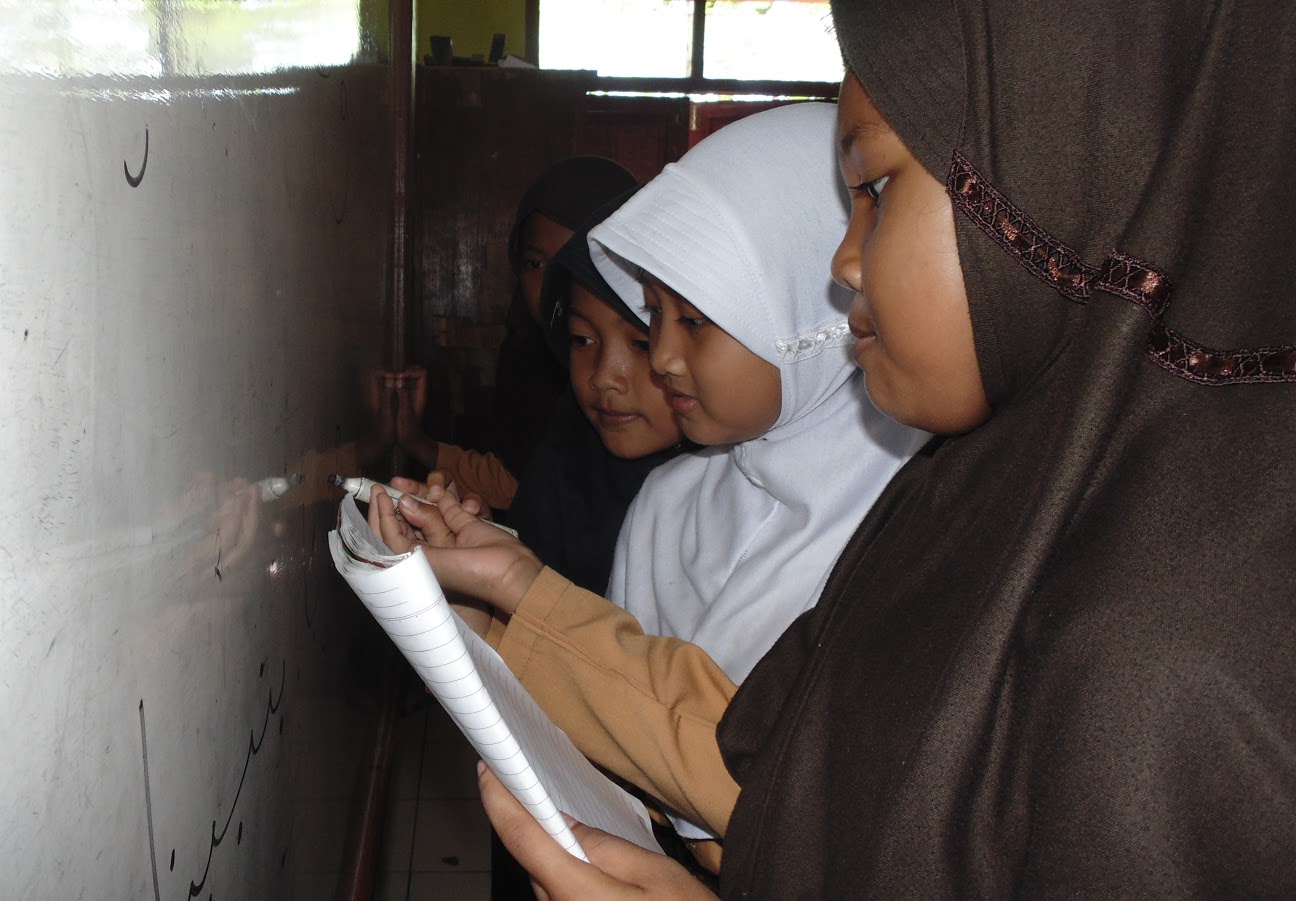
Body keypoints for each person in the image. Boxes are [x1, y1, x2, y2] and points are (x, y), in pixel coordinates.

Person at [406, 0, 1296, 897]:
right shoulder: (970, 491)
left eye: (875, 189)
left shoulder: (1169, 659)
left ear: (1052, 182)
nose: (842, 263)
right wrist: (507, 603)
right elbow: (790, 772)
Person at [378, 102, 923, 869]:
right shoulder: (669, 504)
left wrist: (516, 597)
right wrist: (482, 617)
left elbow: (806, 797)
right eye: (655, 315)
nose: (661, 358)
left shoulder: (916, 529)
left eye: (691, 321)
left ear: (807, 305)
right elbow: (605, 726)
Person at [390, 157, 639, 510]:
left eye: (576, 261)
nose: (551, 286)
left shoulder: (660, 370)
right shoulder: (528, 359)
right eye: (535, 264)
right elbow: (520, 480)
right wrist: (416, 442)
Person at [504, 186, 688, 596]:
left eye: (642, 343)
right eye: (581, 339)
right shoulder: (566, 455)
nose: (603, 377)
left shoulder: (740, 491)